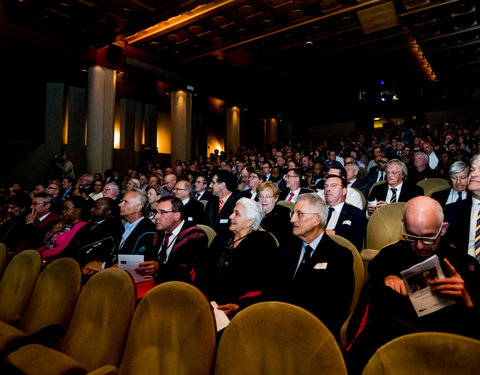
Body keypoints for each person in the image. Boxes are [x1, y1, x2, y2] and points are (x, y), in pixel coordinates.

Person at [346, 196, 480, 374]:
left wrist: (467, 302)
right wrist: (386, 277)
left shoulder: (464, 265)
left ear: (443, 229)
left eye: (428, 237)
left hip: (440, 353)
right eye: (412, 236)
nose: (419, 245)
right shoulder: (391, 254)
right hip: (391, 349)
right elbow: (377, 270)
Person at [273, 193, 354, 338]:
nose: (292, 219)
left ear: (316, 219)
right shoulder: (285, 249)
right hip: (278, 324)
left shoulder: (340, 256)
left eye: (299, 214)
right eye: (293, 213)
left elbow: (336, 310)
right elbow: (272, 291)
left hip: (313, 333)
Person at [196, 198, 277, 317]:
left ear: (250, 221)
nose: (230, 216)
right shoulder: (223, 236)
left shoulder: (263, 242)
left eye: (236, 214)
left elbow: (262, 283)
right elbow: (203, 265)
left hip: (239, 308)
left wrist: (240, 306)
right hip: (207, 299)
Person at [135, 196, 208, 283]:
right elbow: (147, 257)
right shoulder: (158, 234)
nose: (156, 217)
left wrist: (159, 268)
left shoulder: (195, 236)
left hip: (180, 288)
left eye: (162, 212)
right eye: (156, 212)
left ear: (177, 216)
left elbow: (187, 270)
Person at [83, 190, 156, 273]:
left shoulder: (147, 230)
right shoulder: (121, 226)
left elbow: (135, 262)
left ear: (138, 207)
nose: (120, 204)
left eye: (126, 202)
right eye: (122, 201)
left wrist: (103, 266)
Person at [61, 197, 124, 269]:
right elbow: (71, 245)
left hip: (89, 266)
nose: (91, 209)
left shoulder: (114, 227)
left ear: (108, 212)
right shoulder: (90, 224)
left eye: (96, 208)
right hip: (72, 262)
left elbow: (98, 250)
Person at [37, 196, 88, 260]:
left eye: (67, 209)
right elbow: (48, 244)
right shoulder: (63, 223)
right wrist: (36, 253)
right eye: (63, 209)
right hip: (43, 256)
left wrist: (40, 257)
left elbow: (61, 249)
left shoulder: (80, 226)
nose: (63, 211)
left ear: (78, 210)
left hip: (56, 260)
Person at [324, 175, 365, 251]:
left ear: (344, 191)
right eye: (326, 186)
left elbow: (355, 242)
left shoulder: (355, 213)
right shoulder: (317, 211)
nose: (328, 189)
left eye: (333, 186)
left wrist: (328, 233)